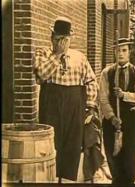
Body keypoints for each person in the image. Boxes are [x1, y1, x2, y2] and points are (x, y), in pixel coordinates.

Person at [33, 16, 98, 182]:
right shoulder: (43, 53)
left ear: (70, 39)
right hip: (51, 102)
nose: (61, 43)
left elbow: (91, 80)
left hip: (75, 104)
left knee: (72, 145)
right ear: (51, 38)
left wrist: (89, 106)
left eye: (65, 40)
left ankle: (68, 179)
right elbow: (42, 74)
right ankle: (52, 178)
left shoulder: (79, 57)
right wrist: (58, 55)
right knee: (51, 143)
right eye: (57, 39)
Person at [99, 38, 135, 184]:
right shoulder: (106, 73)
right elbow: (103, 99)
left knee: (129, 158)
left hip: (130, 120)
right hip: (112, 121)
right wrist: (112, 118)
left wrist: (123, 95)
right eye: (118, 50)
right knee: (114, 160)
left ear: (129, 52)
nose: (121, 54)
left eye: (124, 50)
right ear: (114, 52)